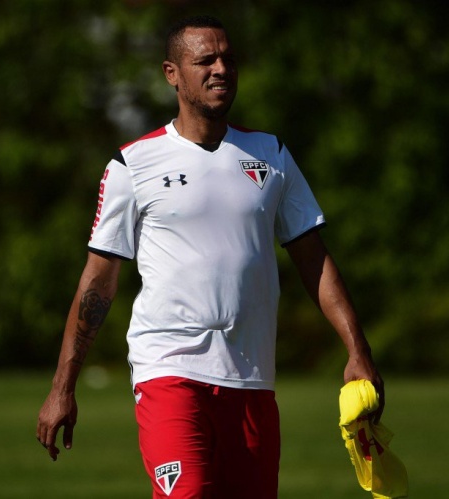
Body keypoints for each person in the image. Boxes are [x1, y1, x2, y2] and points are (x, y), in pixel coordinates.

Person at [37, 14, 384, 499]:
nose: (221, 69)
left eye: (228, 59)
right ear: (171, 73)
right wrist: (63, 386)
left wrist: (358, 352)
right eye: (205, 60)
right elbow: (98, 282)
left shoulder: (272, 155)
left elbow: (313, 259)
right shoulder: (133, 164)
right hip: (169, 371)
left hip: (252, 377)